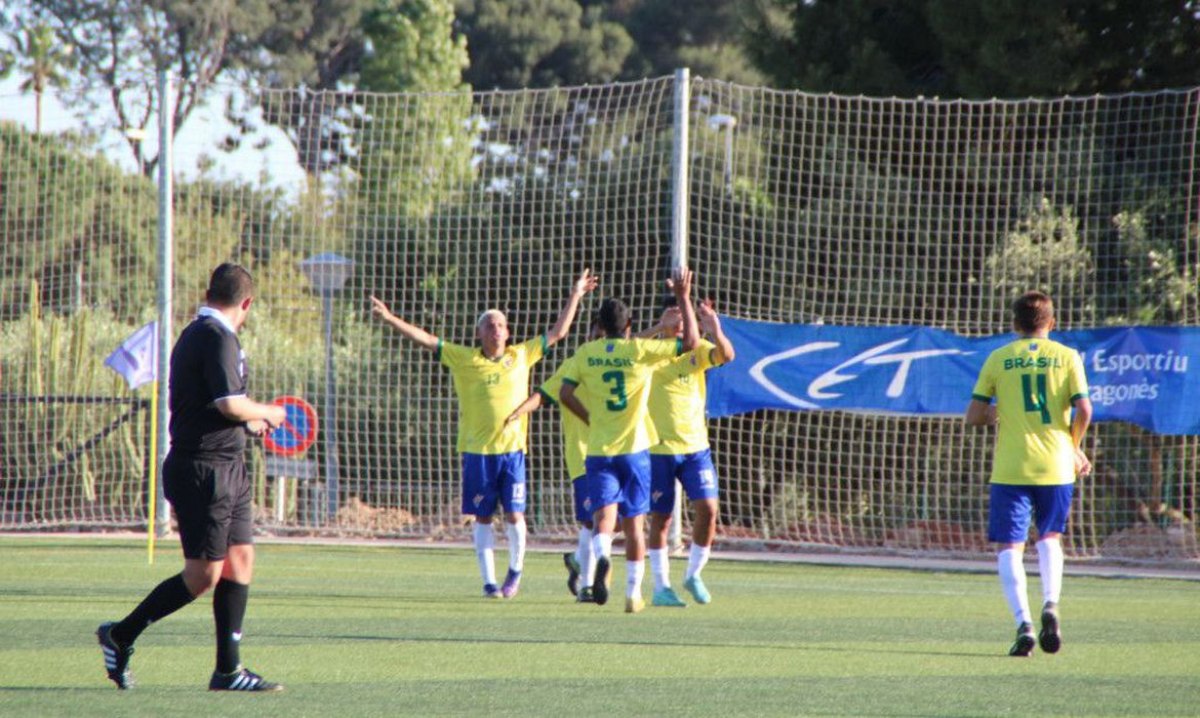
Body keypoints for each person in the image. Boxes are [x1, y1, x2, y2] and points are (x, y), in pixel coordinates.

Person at [97, 263, 289, 692]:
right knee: (203, 575)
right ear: (247, 303)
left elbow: (217, 405)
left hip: (228, 467)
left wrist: (249, 422)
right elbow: (228, 404)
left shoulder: (208, 334)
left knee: (241, 560)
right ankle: (121, 635)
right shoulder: (214, 336)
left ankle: (228, 671)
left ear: (208, 293)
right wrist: (268, 412)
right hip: (203, 470)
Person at [370, 269, 598, 599]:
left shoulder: (521, 355)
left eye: (501, 325)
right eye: (489, 325)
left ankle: (514, 573)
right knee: (482, 516)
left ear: (508, 332)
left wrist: (576, 293)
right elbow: (427, 339)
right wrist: (391, 318)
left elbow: (558, 332)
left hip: (512, 452)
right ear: (479, 332)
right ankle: (489, 583)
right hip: (478, 453)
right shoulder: (465, 359)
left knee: (515, 514)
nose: (496, 329)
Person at [559, 267, 699, 613]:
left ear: (600, 326)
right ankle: (632, 594)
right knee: (635, 525)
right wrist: (683, 297)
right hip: (635, 450)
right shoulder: (639, 351)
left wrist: (589, 418)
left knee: (603, 519)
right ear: (629, 325)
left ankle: (602, 558)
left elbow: (565, 393)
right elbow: (691, 344)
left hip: (599, 450)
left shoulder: (586, 353)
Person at [965, 290, 1092, 657]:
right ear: (1052, 323)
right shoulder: (1068, 356)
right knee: (1050, 536)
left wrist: (999, 412)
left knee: (1010, 546)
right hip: (1056, 465)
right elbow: (1085, 409)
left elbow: (974, 416)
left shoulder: (999, 357)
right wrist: (1073, 446)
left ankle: (1024, 625)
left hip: (1011, 467)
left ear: (1014, 324)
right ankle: (1051, 603)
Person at [645, 298, 735, 607]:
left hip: (696, 448)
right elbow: (624, 345)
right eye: (674, 318)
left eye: (684, 320)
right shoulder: (648, 353)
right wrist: (658, 328)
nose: (680, 324)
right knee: (661, 519)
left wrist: (716, 328)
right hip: (658, 449)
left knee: (708, 509)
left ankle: (693, 574)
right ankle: (661, 587)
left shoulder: (696, 352)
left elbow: (727, 354)